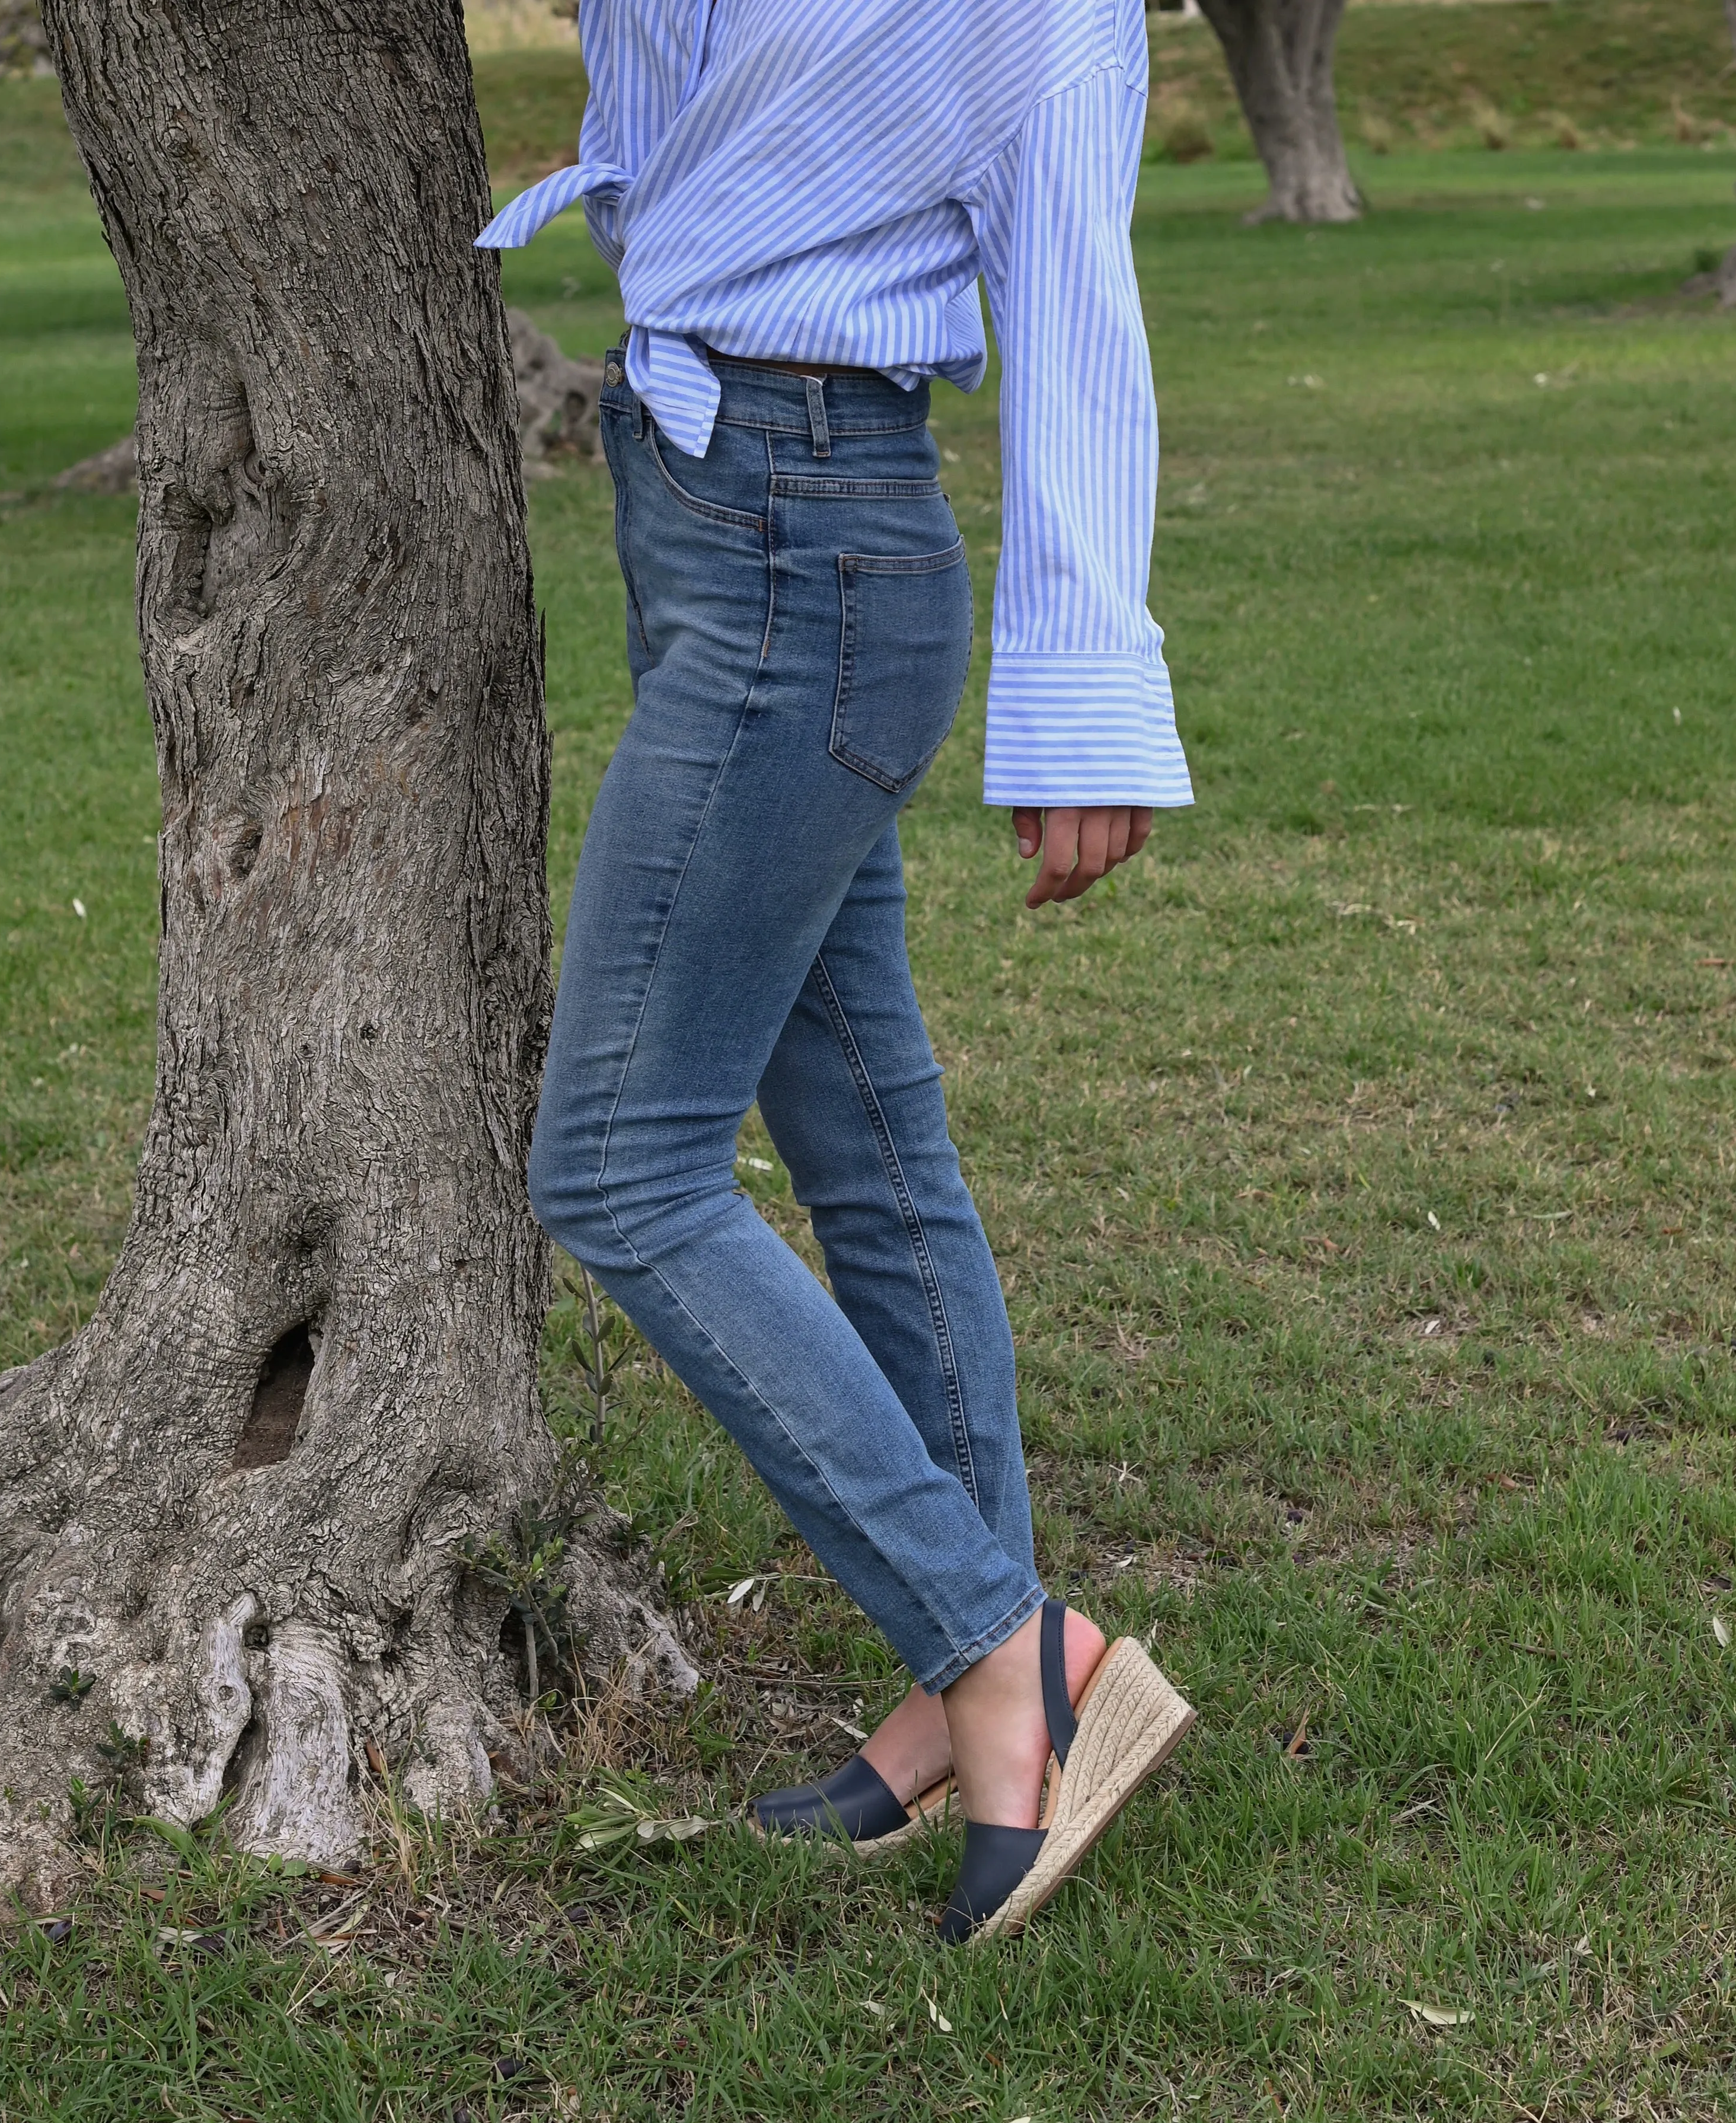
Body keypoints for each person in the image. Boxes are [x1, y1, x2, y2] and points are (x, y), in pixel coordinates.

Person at [478, 0, 1195, 1943]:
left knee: (617, 1164)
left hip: (815, 544)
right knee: (866, 1137)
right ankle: (973, 1699)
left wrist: (1086, 708)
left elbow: (1077, 295)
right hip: (714, 507)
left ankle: (994, 1640)